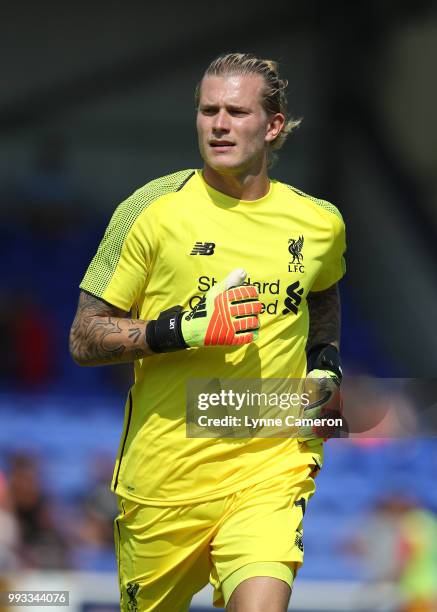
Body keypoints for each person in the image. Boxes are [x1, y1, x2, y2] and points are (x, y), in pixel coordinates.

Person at [70, 53, 346, 612]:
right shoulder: (152, 209)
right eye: (207, 110)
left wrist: (325, 361)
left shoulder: (319, 222)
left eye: (236, 112)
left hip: (272, 455)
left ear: (272, 126)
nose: (218, 124)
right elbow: (84, 337)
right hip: (165, 475)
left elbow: (323, 290)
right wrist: (186, 329)